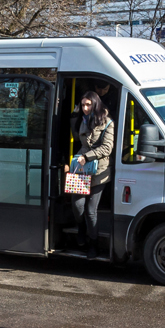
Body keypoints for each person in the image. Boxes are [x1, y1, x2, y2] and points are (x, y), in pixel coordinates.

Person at [69, 90, 115, 259]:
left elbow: (107, 148)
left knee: (90, 210)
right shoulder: (82, 120)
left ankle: (93, 244)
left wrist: (86, 156)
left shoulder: (108, 123)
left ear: (96, 104)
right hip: (81, 168)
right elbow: (80, 141)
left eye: (88, 104)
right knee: (77, 204)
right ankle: (81, 228)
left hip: (99, 170)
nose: (85, 108)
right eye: (83, 105)